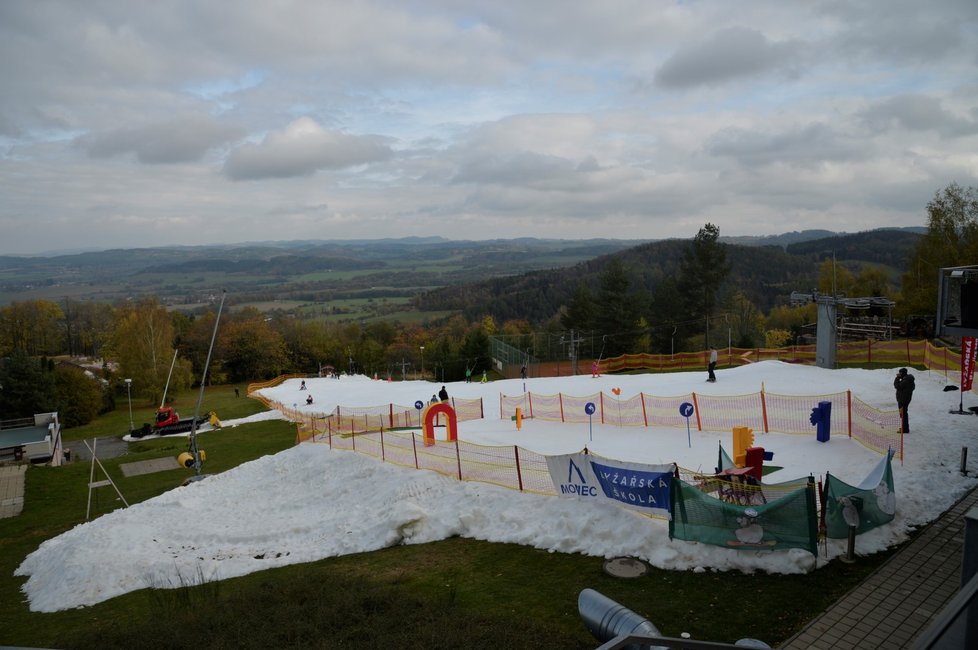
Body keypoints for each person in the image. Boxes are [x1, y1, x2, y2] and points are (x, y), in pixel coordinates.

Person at [894, 367, 916, 433]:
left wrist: (897, 378)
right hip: (905, 399)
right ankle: (905, 427)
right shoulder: (908, 380)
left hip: (903, 400)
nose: (899, 374)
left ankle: (905, 429)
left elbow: (897, 386)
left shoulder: (906, 381)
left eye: (900, 373)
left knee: (903, 414)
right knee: (903, 414)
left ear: (903, 373)